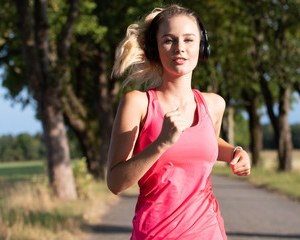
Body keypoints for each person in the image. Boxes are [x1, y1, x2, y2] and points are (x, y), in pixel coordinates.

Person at [107, 5, 251, 240]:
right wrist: (161, 143)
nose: (180, 49)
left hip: (209, 231)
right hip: (155, 234)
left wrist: (235, 152)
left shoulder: (214, 104)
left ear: (202, 46)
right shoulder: (138, 104)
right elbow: (115, 183)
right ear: (155, 48)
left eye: (189, 40)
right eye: (168, 41)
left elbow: (209, 142)